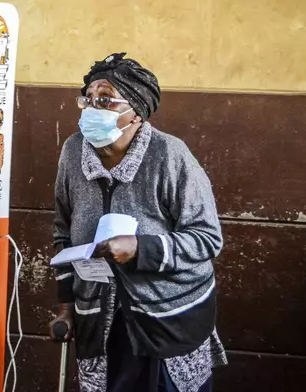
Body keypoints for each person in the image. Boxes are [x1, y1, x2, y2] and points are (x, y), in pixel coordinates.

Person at [48, 52, 227, 392]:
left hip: (167, 315)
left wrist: (140, 248)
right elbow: (63, 233)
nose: (92, 109)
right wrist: (66, 308)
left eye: (106, 101)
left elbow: (206, 238)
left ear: (137, 111)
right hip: (99, 316)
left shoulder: (170, 155)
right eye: (87, 99)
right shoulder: (73, 152)